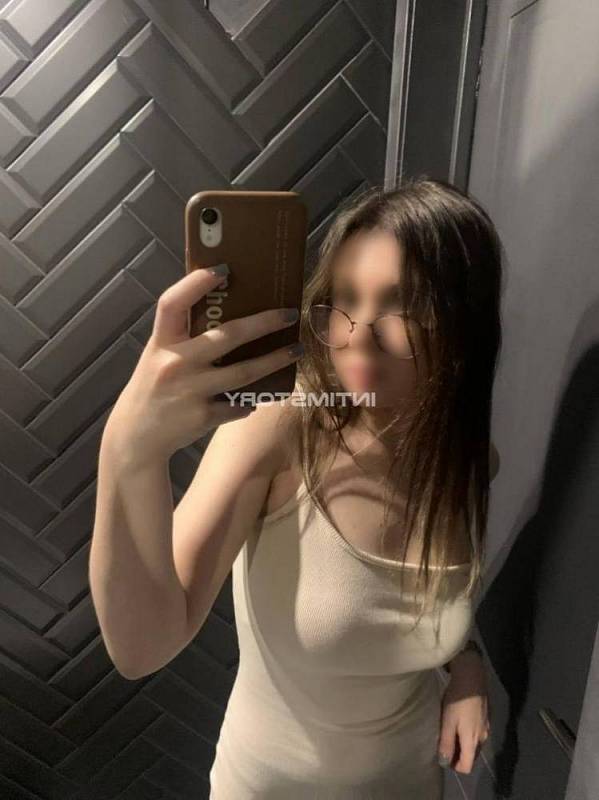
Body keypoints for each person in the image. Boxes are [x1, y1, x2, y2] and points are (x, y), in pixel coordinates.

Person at [89, 177, 501, 798]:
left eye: (401, 307)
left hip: (412, 780)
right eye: (346, 299)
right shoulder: (280, 428)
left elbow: (425, 606)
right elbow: (142, 647)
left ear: (461, 321)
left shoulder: (469, 462)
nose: (358, 333)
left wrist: (465, 666)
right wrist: (128, 448)